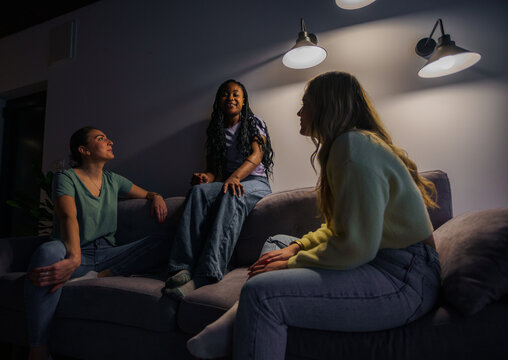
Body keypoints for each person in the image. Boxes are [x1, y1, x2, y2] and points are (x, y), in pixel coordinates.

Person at [186, 71, 441, 360]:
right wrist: (296, 248)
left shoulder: (353, 147)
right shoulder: (349, 145)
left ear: (325, 106)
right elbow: (337, 230)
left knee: (260, 293)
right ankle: (239, 315)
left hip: (404, 277)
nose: (299, 111)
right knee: (279, 242)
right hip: (391, 264)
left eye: (305, 104)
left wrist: (291, 263)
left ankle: (249, 306)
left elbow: (356, 247)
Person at [25, 126, 169, 360]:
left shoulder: (114, 180)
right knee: (45, 252)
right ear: (84, 150)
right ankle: (38, 348)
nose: (110, 141)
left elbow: (147, 193)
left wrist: (157, 196)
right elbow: (67, 216)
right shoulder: (65, 177)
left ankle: (99, 276)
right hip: (69, 247)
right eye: (101, 138)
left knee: (161, 242)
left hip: (105, 254)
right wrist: (73, 257)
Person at [163, 79, 274, 300]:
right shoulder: (215, 129)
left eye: (236, 94)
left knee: (231, 192)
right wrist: (206, 178)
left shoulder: (254, 122)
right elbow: (214, 169)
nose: (230, 97)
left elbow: (257, 155)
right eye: (225, 94)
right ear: (218, 101)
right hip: (229, 180)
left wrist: (233, 178)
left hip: (255, 183)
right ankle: (181, 267)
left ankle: (208, 273)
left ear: (243, 102)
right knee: (197, 192)